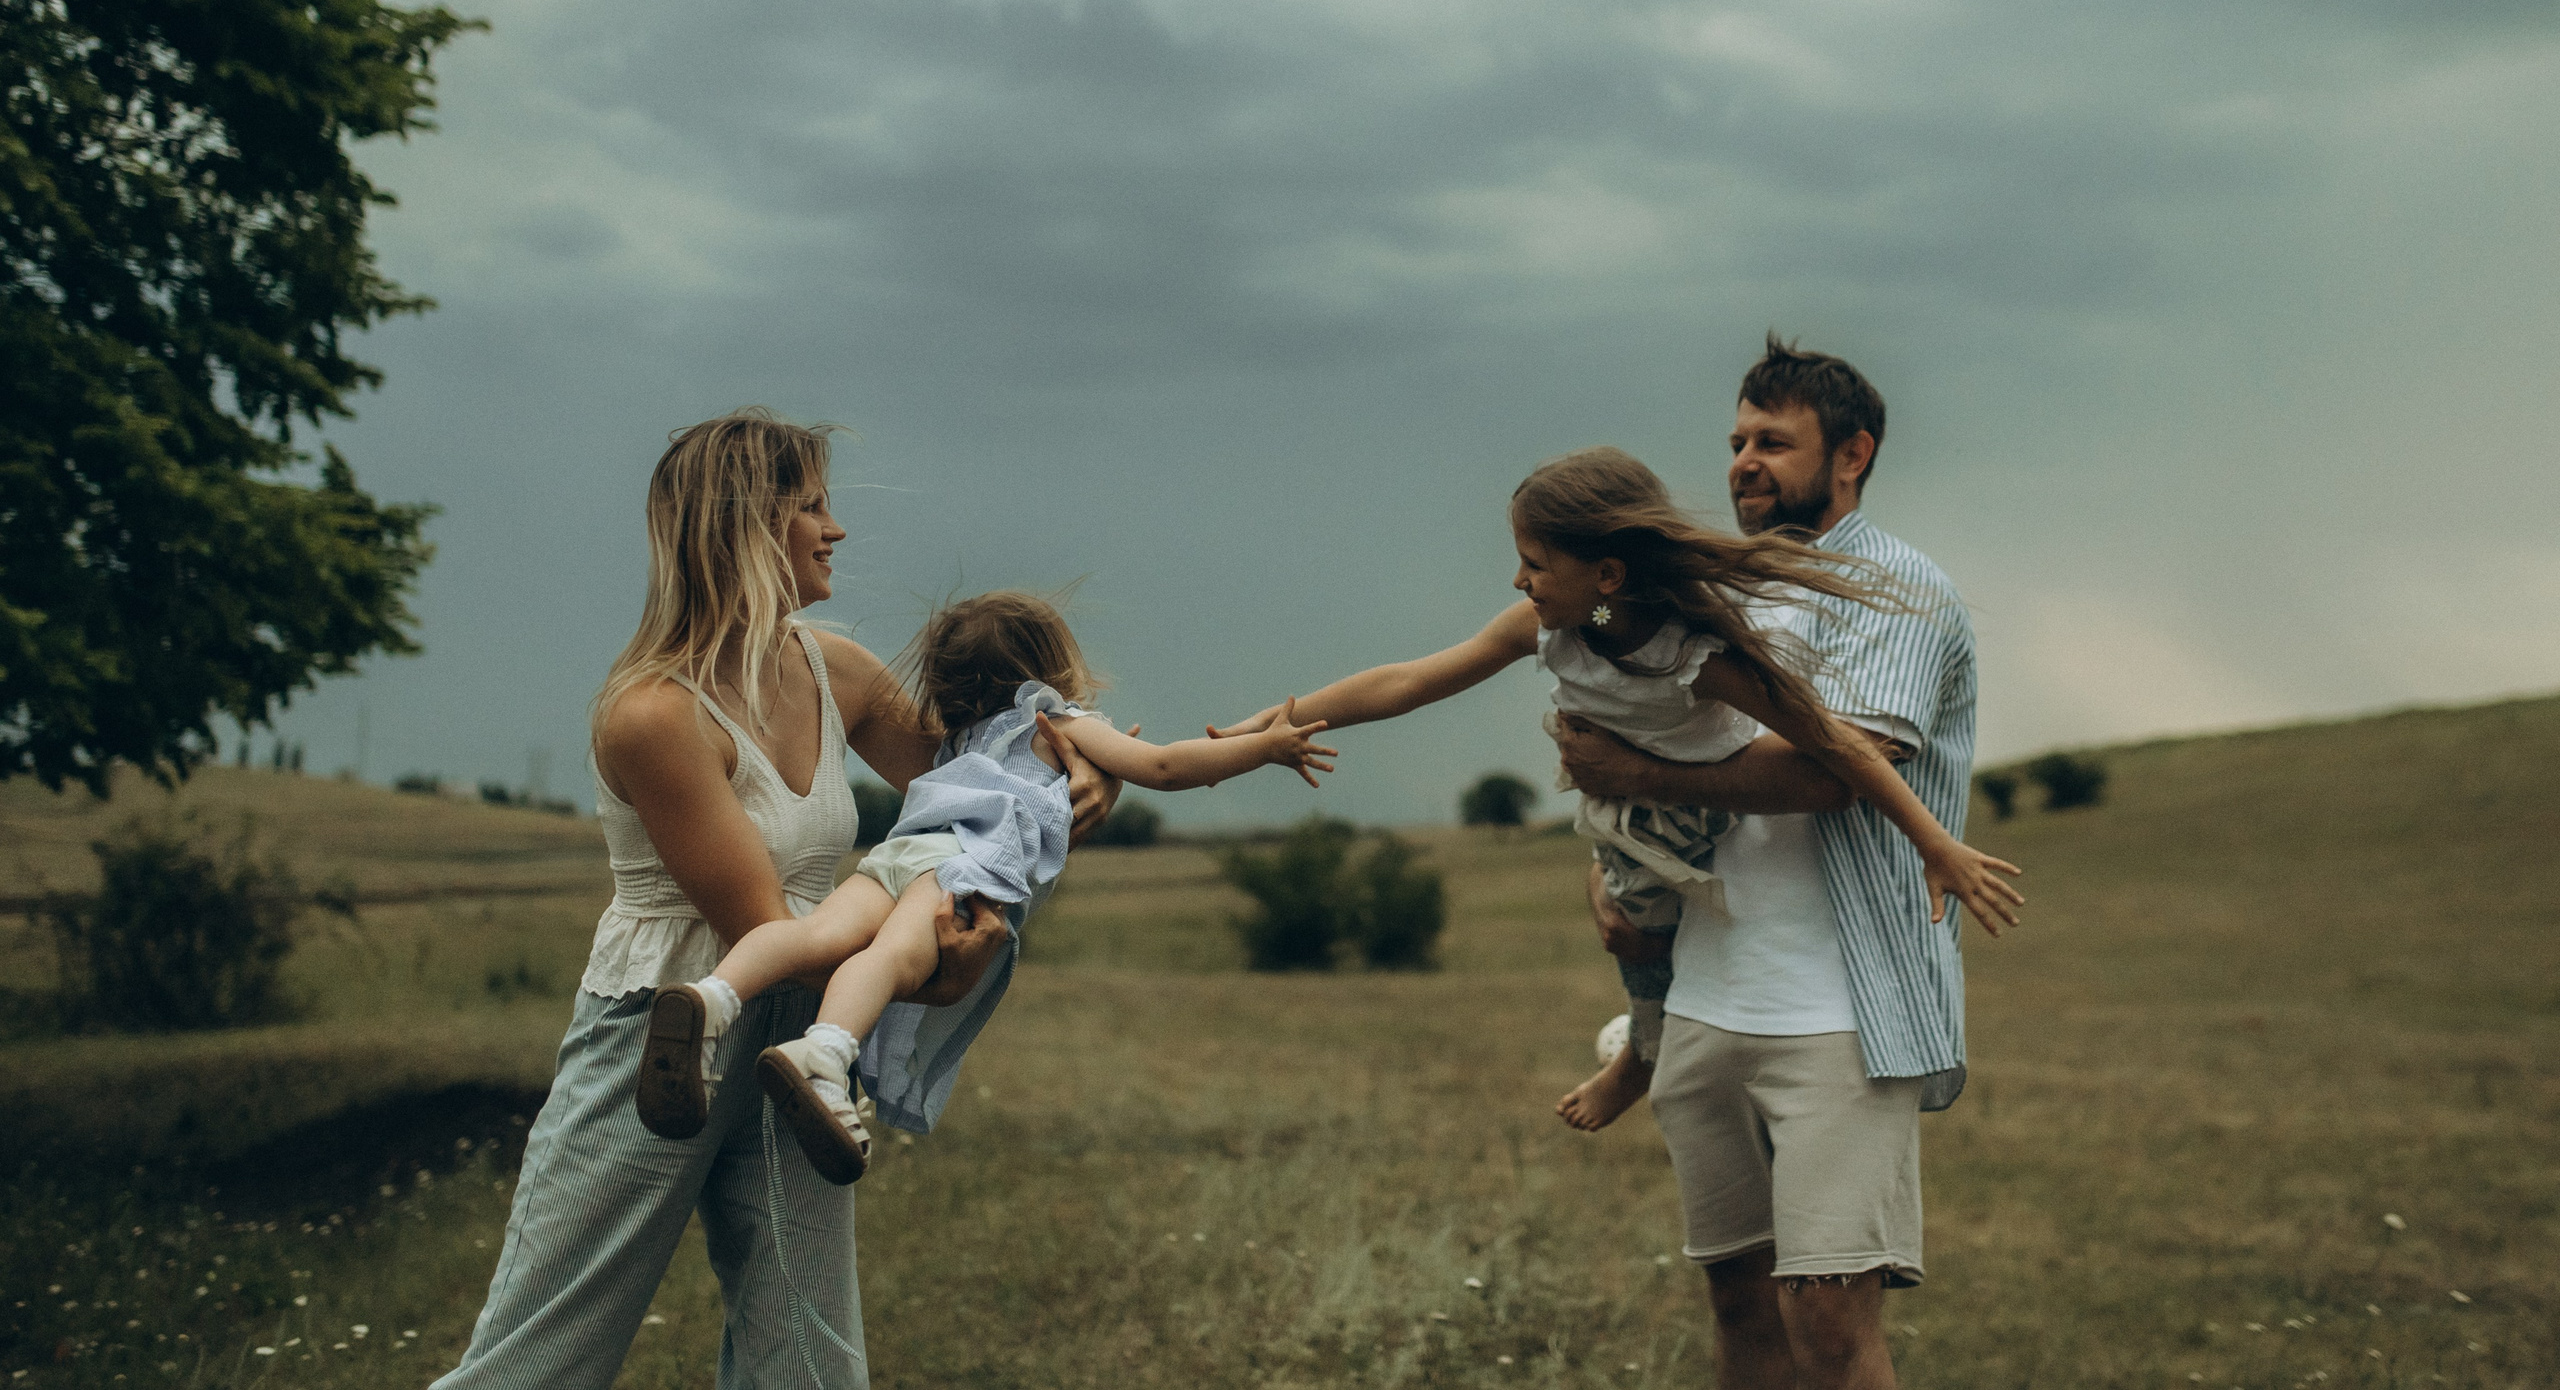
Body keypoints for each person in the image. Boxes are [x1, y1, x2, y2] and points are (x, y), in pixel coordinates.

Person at [433, 410, 1119, 1390]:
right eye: (812, 507)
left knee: (807, 1355)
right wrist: (919, 973)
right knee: (541, 1357)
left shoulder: (831, 666)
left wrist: (1098, 776)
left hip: (801, 1029)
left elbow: (981, 783)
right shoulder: (654, 713)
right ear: (746, 526)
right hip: (663, 1025)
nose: (835, 528)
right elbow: (761, 926)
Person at [1218, 445, 2021, 1098]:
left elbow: (1836, 744)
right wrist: (1276, 720)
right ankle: (1647, 1039)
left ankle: (1641, 1053)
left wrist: (1935, 846)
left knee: (1644, 928)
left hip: (1697, 812)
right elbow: (1412, 680)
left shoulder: (1691, 659)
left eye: (1534, 564)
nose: (1518, 581)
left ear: (1606, 574)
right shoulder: (1572, 620)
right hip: (1621, 816)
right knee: (1628, 916)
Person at [1553, 336, 1997, 1390]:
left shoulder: (1901, 590)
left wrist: (1634, 767)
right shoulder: (1719, 586)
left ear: (1853, 453)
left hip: (1840, 1011)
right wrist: (1575, 582)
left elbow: (1835, 771)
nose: (1744, 460)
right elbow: (1611, 643)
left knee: (1830, 1324)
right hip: (1707, 999)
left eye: (1773, 441)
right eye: (1737, 439)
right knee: (1740, 1305)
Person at [639, 589, 1336, 1182]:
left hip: (901, 850)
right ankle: (822, 1055)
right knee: (886, 960)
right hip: (960, 869)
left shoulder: (959, 740)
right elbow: (1163, 765)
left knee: (816, 931)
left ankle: (711, 996)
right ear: (1049, 669)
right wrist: (1265, 748)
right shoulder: (1057, 718)